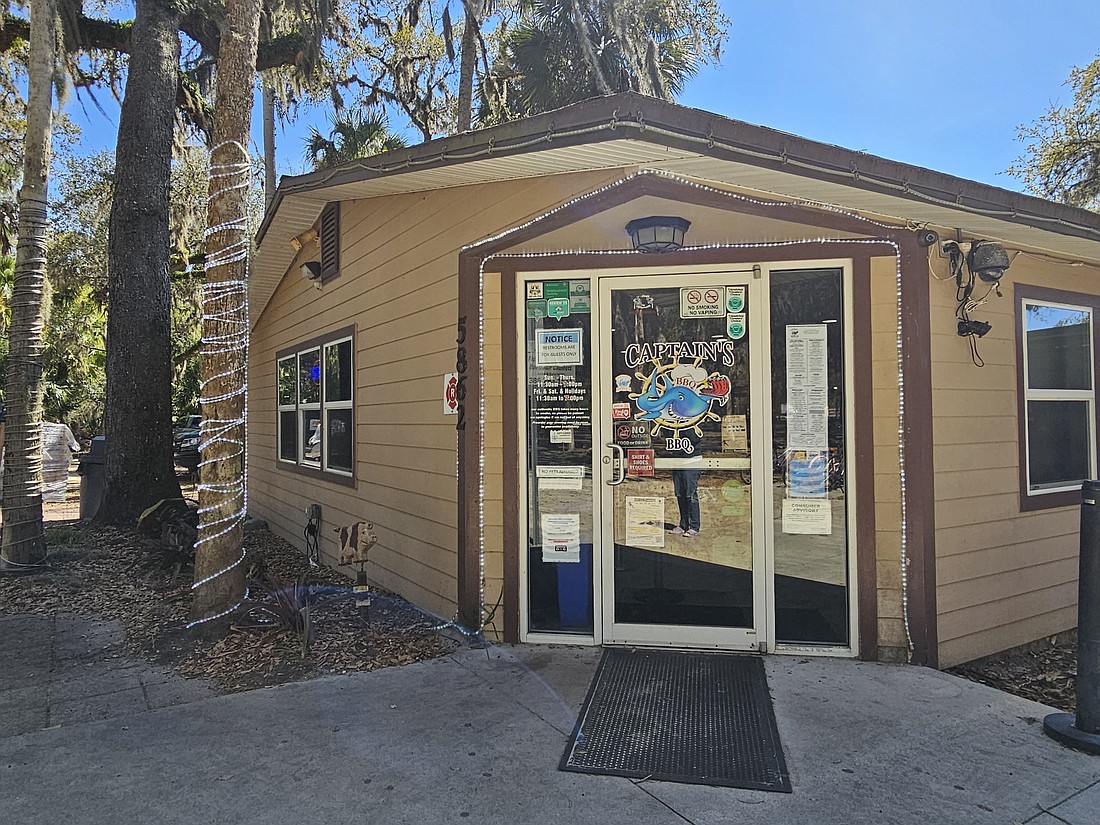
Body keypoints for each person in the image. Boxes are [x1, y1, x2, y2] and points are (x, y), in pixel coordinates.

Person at [667, 427, 703, 537]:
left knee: (690, 494)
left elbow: (695, 438)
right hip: (677, 460)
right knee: (680, 493)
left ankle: (694, 526)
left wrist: (682, 430)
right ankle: (683, 525)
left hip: (691, 460)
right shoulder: (670, 422)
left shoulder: (692, 419)